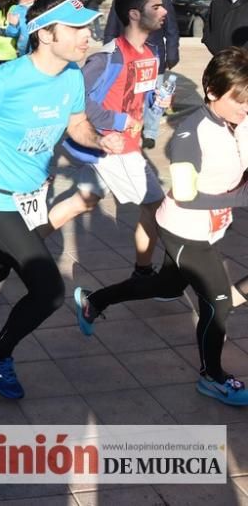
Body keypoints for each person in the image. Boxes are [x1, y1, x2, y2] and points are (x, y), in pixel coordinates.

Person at [0, 0, 123, 399]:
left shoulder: (70, 76)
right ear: (45, 33)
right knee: (48, 290)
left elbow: (77, 126)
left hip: (32, 197)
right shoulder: (2, 81)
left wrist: (103, 139)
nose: (88, 36)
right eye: (77, 28)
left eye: (87, 27)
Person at [74, 48, 248, 405]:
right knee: (217, 303)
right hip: (184, 228)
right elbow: (187, 197)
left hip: (211, 227)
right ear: (213, 91)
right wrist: (239, 198)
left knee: (166, 283)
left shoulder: (238, 123)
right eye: (239, 99)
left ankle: (95, 300)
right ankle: (212, 377)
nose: (246, 107)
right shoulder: (191, 135)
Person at [48, 0, 171, 279]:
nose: (164, 11)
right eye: (155, 6)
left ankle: (23, 247)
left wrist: (160, 101)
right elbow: (79, 103)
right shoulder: (107, 57)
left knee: (83, 201)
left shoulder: (153, 53)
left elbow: (144, 99)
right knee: (158, 207)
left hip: (127, 145)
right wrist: (118, 122)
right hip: (112, 149)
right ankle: (143, 273)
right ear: (134, 14)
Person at [103, 0, 181, 149]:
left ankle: (150, 133)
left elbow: (171, 30)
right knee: (127, 95)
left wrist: (172, 54)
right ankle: (127, 127)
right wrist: (108, 52)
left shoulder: (162, 0)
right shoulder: (120, 1)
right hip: (126, 56)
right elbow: (110, 30)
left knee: (154, 96)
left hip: (154, 57)